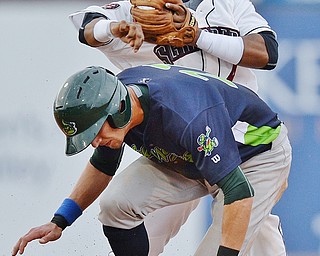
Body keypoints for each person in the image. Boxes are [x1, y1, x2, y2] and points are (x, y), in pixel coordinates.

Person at [66, 0, 281, 255]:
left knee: (252, 232)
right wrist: (114, 28)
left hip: (243, 146)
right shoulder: (132, 11)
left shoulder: (229, 3)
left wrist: (199, 36)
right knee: (136, 230)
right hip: (177, 151)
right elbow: (88, 28)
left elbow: (268, 53)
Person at [12, 64, 291, 256]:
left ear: (118, 110)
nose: (94, 142)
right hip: (193, 156)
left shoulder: (186, 116)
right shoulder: (119, 102)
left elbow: (238, 191)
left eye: (95, 132)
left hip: (254, 159)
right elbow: (104, 164)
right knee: (115, 204)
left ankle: (262, 232)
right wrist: (60, 220)